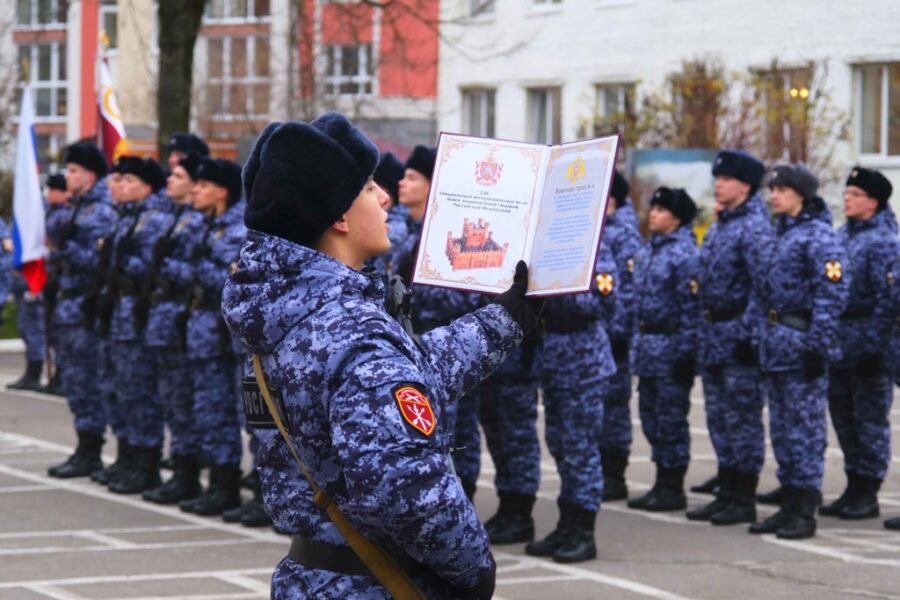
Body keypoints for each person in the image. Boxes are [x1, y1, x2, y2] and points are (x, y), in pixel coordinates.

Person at [222, 113, 541, 598]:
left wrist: (504, 319)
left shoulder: (289, 309)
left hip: (313, 578)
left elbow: (406, 372)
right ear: (340, 217)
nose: (386, 196)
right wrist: (473, 565)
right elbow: (407, 489)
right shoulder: (354, 331)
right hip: (374, 584)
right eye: (370, 188)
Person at [748, 163, 849, 540]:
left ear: (801, 195)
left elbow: (832, 294)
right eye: (772, 189)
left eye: (782, 190)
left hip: (801, 343)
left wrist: (817, 346)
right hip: (776, 345)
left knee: (805, 430)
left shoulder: (819, 237)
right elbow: (763, 293)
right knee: (784, 430)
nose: (774, 196)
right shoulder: (779, 235)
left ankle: (804, 509)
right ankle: (789, 503)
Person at [688, 150, 772, 525]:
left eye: (726, 179)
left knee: (743, 420)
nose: (718, 184)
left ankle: (743, 497)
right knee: (720, 419)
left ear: (746, 186)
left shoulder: (754, 227)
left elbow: (763, 288)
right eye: (717, 178)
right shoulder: (723, 223)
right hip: (713, 334)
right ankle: (729, 489)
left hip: (738, 335)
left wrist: (748, 334)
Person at [524, 241, 617, 563]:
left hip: (584, 360)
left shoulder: (593, 249)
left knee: (581, 449)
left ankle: (584, 532)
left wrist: (556, 280)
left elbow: (600, 304)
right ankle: (567, 524)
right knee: (561, 446)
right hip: (554, 359)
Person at [820, 167, 897, 520]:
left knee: (868, 420)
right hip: (839, 341)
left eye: (854, 195)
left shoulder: (885, 241)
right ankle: (853, 484)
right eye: (846, 193)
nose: (846, 199)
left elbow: (888, 300)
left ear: (873, 202)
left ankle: (868, 489)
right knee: (844, 417)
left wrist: (876, 347)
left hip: (867, 339)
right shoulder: (841, 236)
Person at [178, 157, 246, 517]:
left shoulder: (235, 229)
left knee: (224, 412)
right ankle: (219, 483)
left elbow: (224, 279)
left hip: (221, 336)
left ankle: (228, 486)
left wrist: (190, 267)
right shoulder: (209, 226)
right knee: (209, 409)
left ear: (221, 190)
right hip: (202, 332)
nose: (195, 190)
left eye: (202, 185)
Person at [46, 141, 118, 478]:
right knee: (75, 381)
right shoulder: (79, 207)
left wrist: (66, 247)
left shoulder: (100, 211)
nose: (67, 176)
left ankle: (91, 450)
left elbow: (99, 262)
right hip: (69, 307)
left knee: (88, 381)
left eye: (73, 170)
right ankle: (84, 446)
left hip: (85, 309)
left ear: (89, 174)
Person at [628, 187, 700, 512]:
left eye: (661, 210)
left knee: (671, 420)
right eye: (652, 208)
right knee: (651, 418)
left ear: (677, 218)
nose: (653, 214)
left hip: (671, 348)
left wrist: (686, 353)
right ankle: (660, 482)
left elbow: (691, 309)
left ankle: (673, 486)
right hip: (648, 348)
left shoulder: (685, 255)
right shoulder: (648, 252)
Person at [141, 152, 206, 505]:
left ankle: (193, 475)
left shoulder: (197, 223)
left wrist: (166, 266)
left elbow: (197, 271)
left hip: (189, 324)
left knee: (191, 403)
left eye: (178, 175)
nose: (170, 180)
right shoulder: (173, 219)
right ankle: (179, 470)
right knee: (173, 402)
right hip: (167, 321)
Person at [105, 158, 171, 494]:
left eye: (129, 180)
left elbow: (150, 266)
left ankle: (146, 463)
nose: (121, 185)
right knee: (125, 390)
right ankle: (129, 457)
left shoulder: (154, 220)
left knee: (141, 391)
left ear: (147, 186)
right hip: (121, 312)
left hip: (138, 314)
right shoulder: (129, 217)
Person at [598, 170, 643, 501]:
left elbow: (629, 292)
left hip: (613, 338)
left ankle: (615, 474)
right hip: (595, 338)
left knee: (614, 408)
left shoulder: (623, 235)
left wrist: (617, 333)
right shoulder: (599, 232)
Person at [6, 175, 66, 391]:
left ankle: (50, 374)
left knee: (42, 331)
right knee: (29, 329)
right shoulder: (40, 213)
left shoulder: (56, 215)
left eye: (54, 190)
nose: (50, 195)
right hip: (26, 283)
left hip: (42, 282)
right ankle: (34, 372)